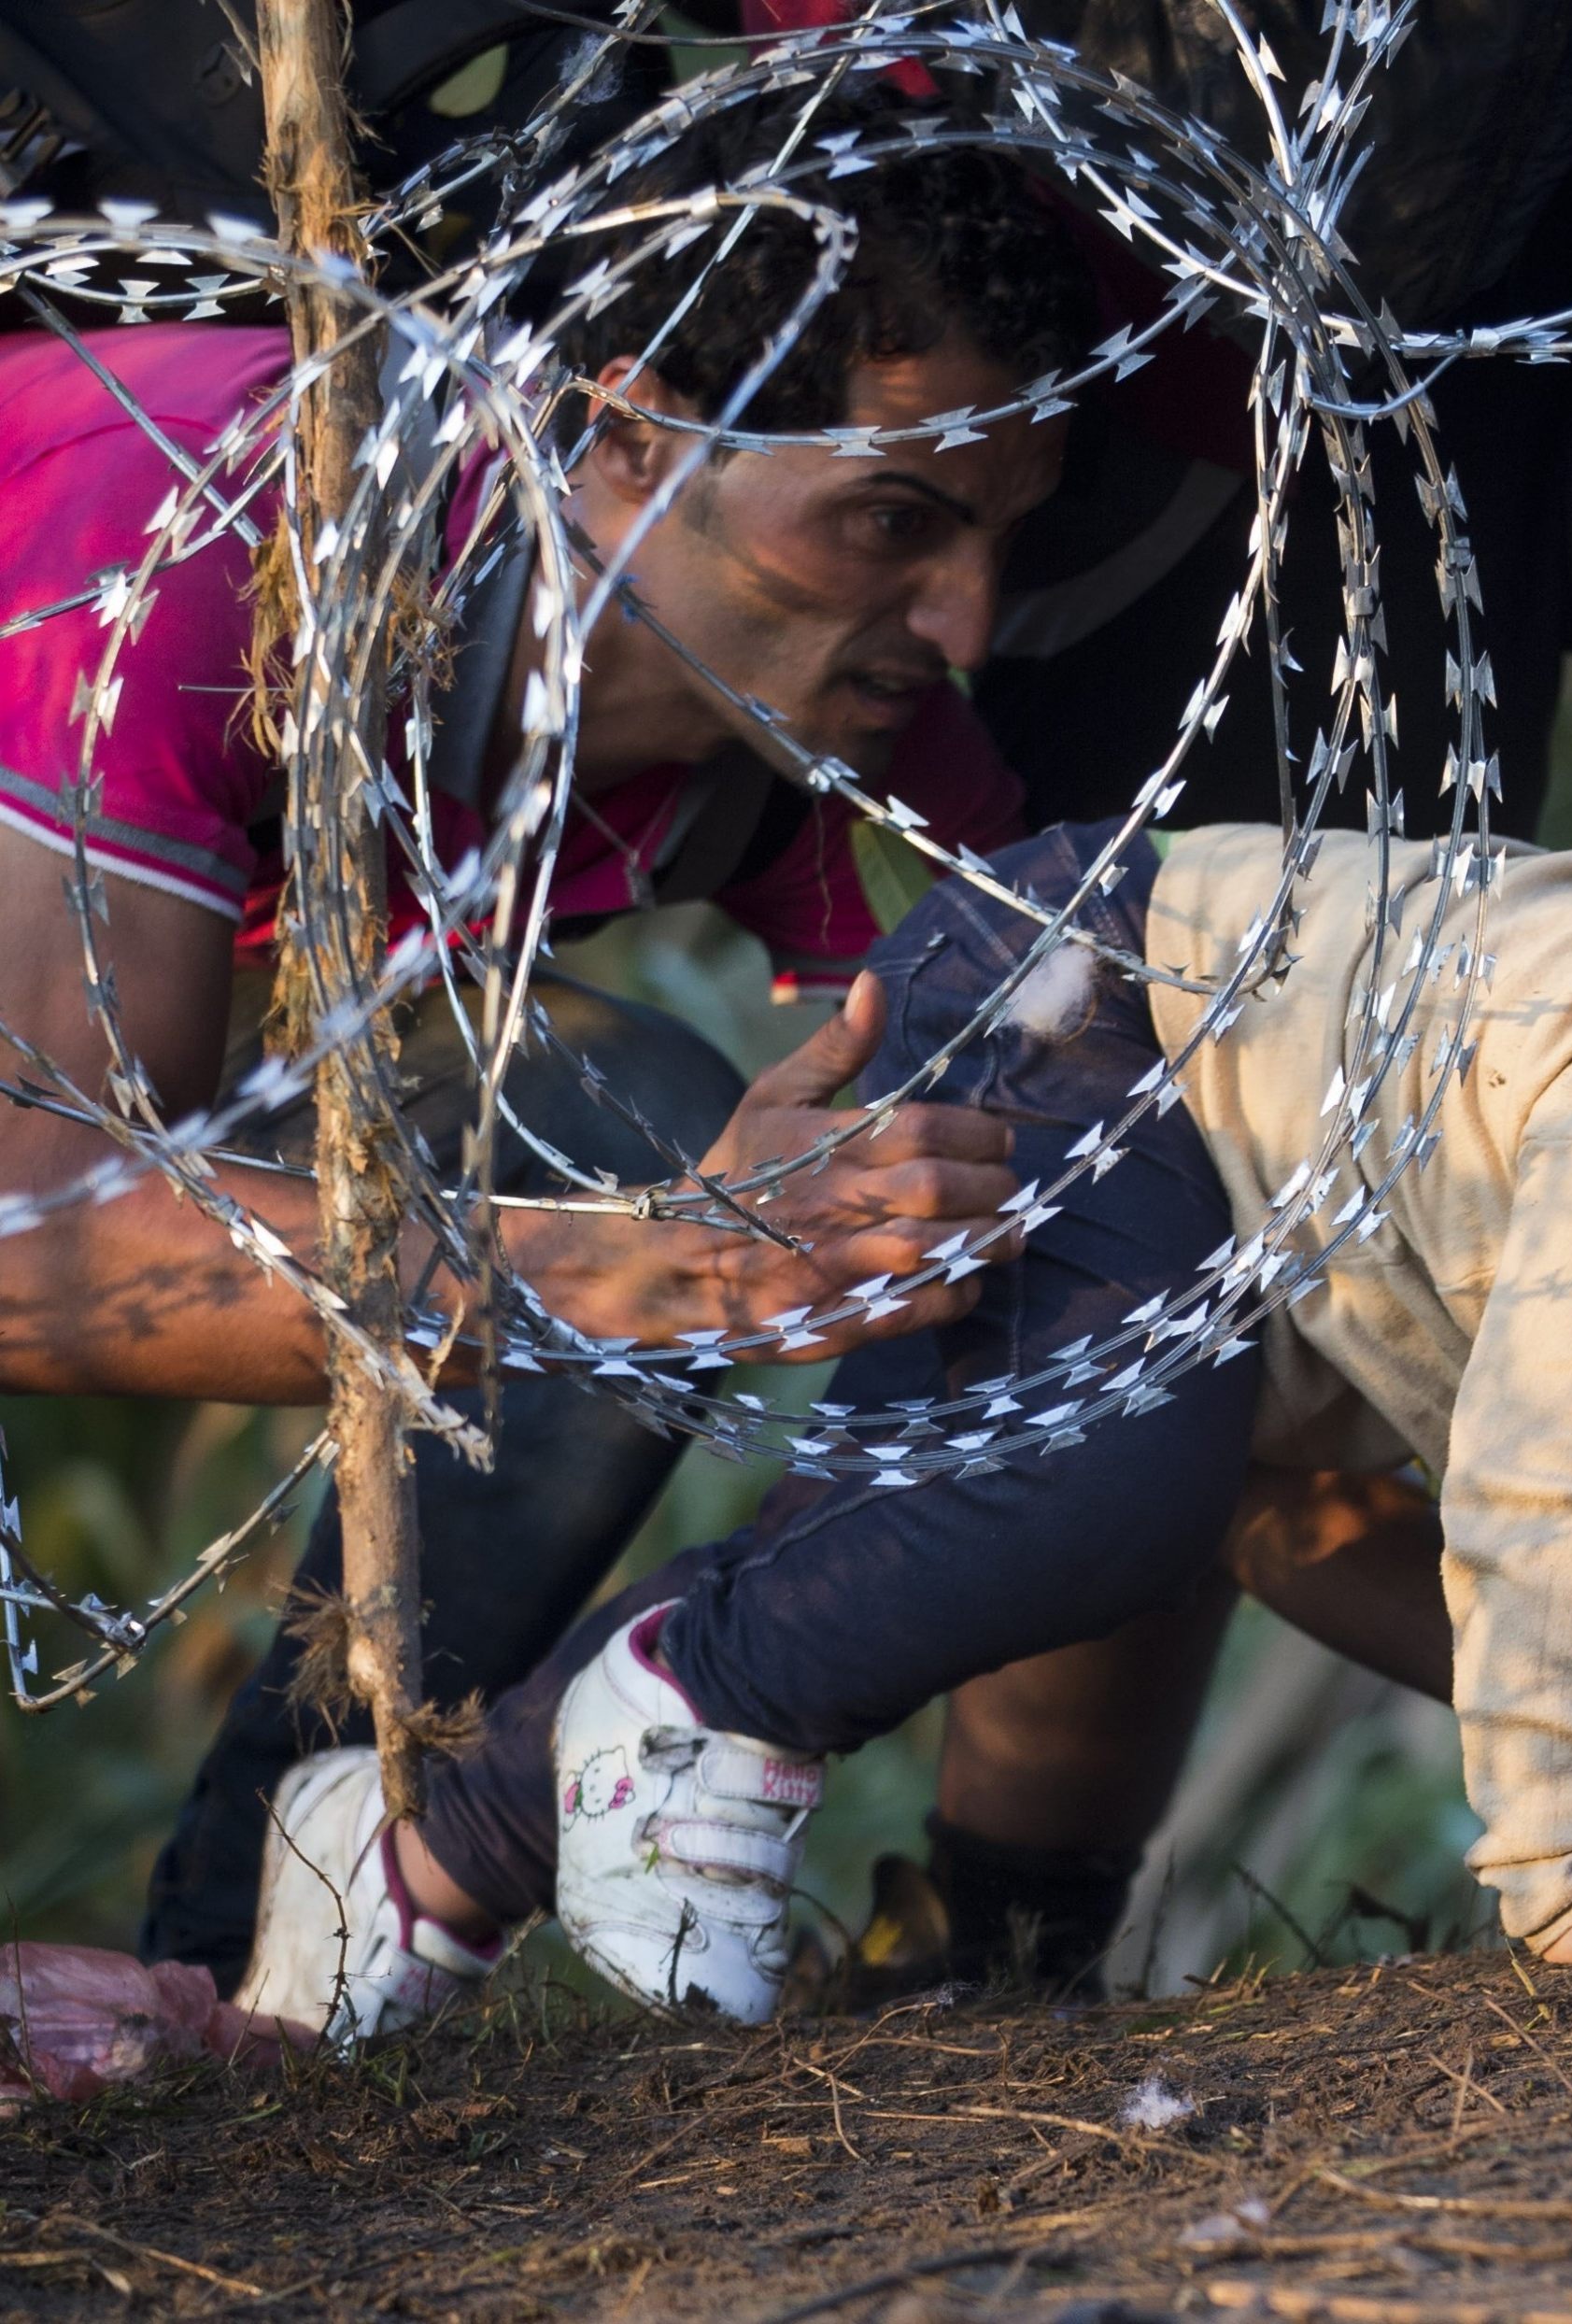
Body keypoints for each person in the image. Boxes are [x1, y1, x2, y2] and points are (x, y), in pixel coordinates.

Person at [231, 582, 1572, 2034]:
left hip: (1246, 1189)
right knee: (1099, 1486)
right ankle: (679, 1696)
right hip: (1097, 1006)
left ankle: (424, 1851)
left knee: (1106, 1482)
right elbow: (1549, 1468)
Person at [0, 87, 1090, 1989]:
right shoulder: (200, 516)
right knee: (621, 1192)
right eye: (896, 518)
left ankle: (268, 1964)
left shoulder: (859, 733)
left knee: (615, 1121)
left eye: (1001, 533)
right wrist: (665, 1268)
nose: (968, 619)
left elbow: (1101, 1143)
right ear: (628, 430)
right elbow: (37, 1234)